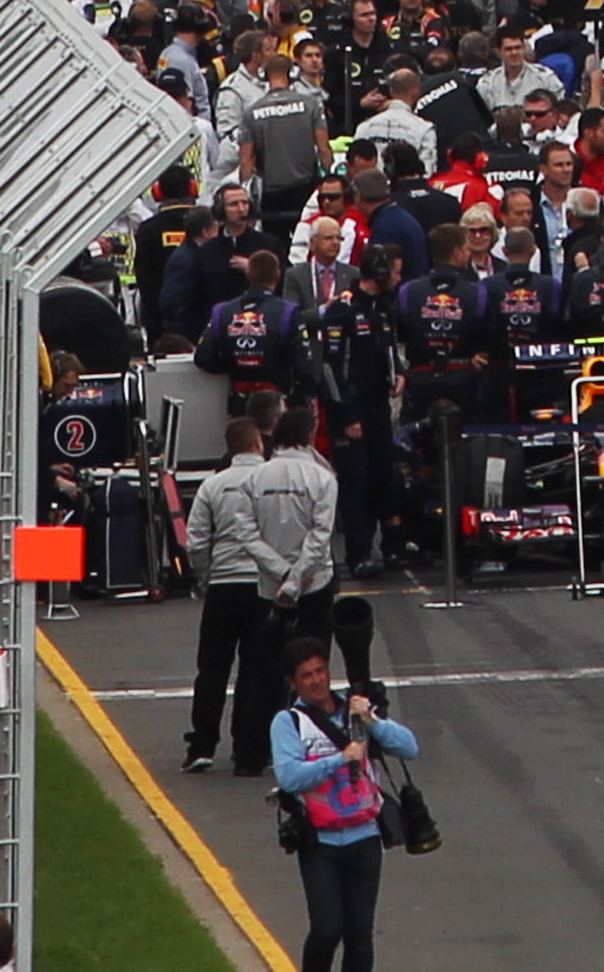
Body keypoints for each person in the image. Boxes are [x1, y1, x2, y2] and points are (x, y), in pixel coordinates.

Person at [269, 636, 415, 972]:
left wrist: (373, 720)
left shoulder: (355, 711)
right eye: (307, 675)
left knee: (360, 936)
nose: (317, 680)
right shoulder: (289, 723)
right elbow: (290, 777)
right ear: (293, 682)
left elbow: (409, 748)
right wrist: (339, 759)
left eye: (321, 671)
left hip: (364, 837)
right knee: (326, 930)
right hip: (319, 842)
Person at [180, 417, 302, 776]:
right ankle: (248, 747)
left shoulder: (213, 485)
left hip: (223, 586)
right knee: (257, 670)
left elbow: (196, 541)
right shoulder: (273, 482)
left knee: (212, 668)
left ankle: (201, 744)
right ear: (258, 445)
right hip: (264, 586)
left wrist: (206, 576)